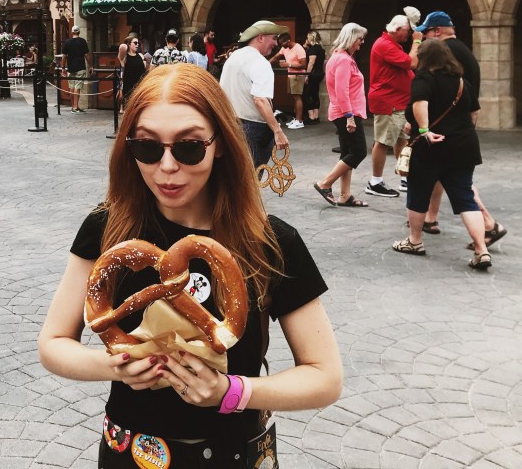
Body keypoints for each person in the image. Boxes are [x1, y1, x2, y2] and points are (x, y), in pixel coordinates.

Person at [38, 65, 343, 468]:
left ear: (220, 144)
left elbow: (325, 377)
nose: (166, 167)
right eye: (147, 147)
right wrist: (113, 366)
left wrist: (232, 393)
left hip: (233, 456)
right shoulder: (107, 228)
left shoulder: (271, 243)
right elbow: (53, 343)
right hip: (131, 456)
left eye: (188, 147)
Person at [391, 39, 493, 270]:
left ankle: (415, 241)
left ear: (426, 57)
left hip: (431, 148)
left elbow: (420, 104)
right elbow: (474, 113)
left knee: (418, 194)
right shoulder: (461, 82)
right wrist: (461, 133)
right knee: (465, 198)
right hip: (463, 147)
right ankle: (481, 249)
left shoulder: (424, 78)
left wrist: (426, 130)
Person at [415, 11, 506, 245]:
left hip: (450, 124)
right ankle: (431, 218)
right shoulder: (459, 48)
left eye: (425, 33)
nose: (423, 38)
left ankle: (488, 224)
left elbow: (417, 69)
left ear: (436, 32)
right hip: (461, 122)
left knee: (457, 180)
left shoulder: (445, 51)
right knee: (444, 175)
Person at [219, 20, 289, 168]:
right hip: (253, 128)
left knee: (234, 175)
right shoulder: (260, 62)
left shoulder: (233, 57)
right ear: (261, 37)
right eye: (274, 38)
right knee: (252, 179)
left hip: (229, 123)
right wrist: (277, 131)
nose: (276, 44)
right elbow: (260, 100)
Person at [313, 23, 369, 208]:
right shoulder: (343, 59)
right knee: (359, 152)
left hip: (344, 111)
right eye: (360, 39)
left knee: (347, 153)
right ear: (351, 38)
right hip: (346, 112)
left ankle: (345, 195)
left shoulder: (339, 57)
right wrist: (350, 116)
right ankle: (325, 184)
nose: (362, 43)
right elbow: (341, 90)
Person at [365, 15, 420, 198]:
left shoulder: (391, 44)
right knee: (383, 142)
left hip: (399, 102)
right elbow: (412, 62)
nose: (409, 34)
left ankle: (404, 178)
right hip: (389, 102)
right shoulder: (384, 45)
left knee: (401, 140)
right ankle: (375, 182)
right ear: (397, 30)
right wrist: (417, 41)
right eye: (407, 31)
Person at [269, 32, 307, 129]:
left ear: (288, 41)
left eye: (283, 43)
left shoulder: (299, 48)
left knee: (297, 97)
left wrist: (289, 65)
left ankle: (299, 121)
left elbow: (303, 65)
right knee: (293, 96)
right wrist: (266, 63)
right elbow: (276, 57)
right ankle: (296, 118)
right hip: (291, 75)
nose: (281, 45)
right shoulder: (284, 48)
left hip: (298, 75)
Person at [62, 25, 90, 114]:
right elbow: (86, 55)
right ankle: (75, 107)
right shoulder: (82, 41)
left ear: (72, 32)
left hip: (70, 67)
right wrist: (91, 65)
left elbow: (64, 56)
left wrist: (63, 67)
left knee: (71, 87)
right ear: (79, 32)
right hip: (80, 67)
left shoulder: (67, 42)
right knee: (77, 87)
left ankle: (73, 106)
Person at [301, 31, 325, 124]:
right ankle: (316, 116)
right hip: (319, 73)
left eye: (307, 37)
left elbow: (311, 62)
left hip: (313, 74)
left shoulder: (313, 49)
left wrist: (307, 75)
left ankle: (311, 117)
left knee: (307, 94)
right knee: (315, 93)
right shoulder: (321, 49)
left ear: (311, 38)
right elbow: (324, 61)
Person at [119, 36, 147, 110]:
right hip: (129, 88)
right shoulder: (124, 57)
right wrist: (127, 44)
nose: (137, 45)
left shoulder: (140, 56)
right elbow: (122, 47)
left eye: (138, 43)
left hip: (140, 87)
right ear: (129, 44)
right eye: (135, 43)